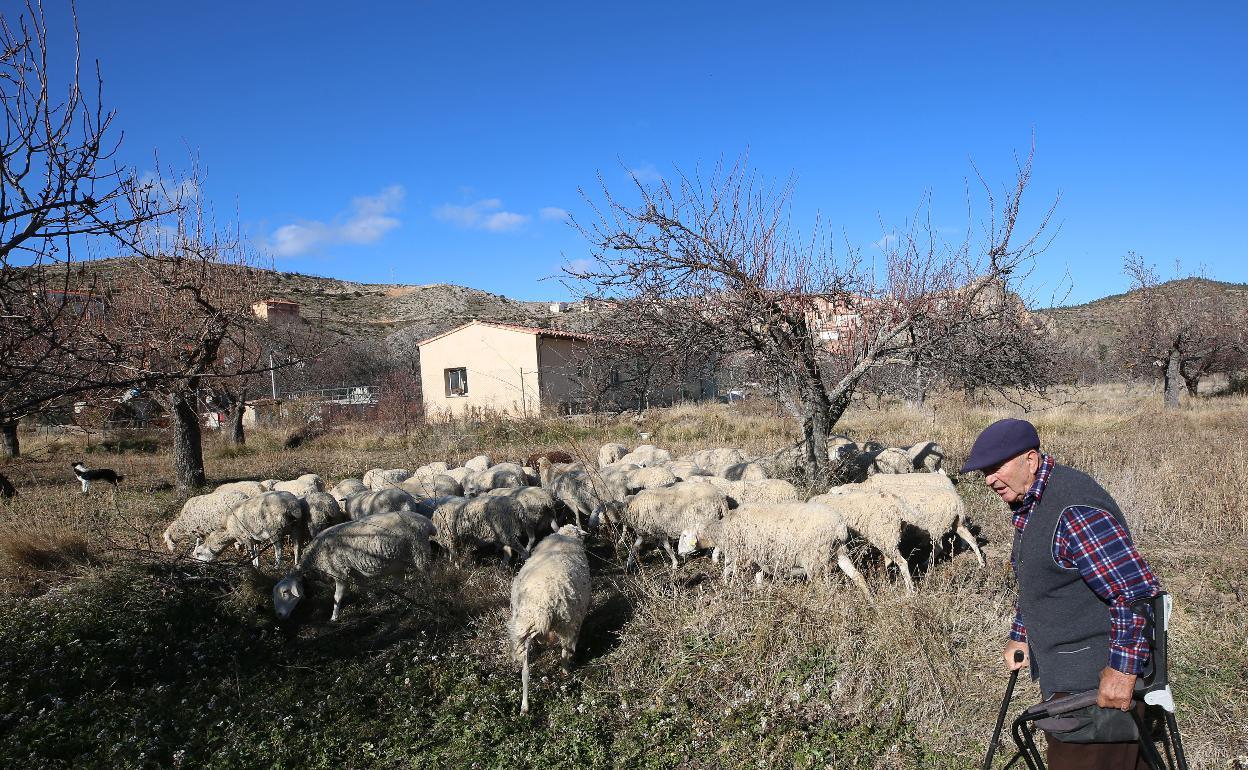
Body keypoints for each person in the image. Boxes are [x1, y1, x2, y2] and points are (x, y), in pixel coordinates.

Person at [961, 418, 1161, 770]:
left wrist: (1122, 671)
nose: (989, 479)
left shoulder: (1072, 509)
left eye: (996, 467)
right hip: (1072, 684)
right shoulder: (1032, 505)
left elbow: (1135, 592)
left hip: (1096, 688)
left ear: (1031, 460)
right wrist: (1020, 635)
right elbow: (1041, 578)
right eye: (984, 471)